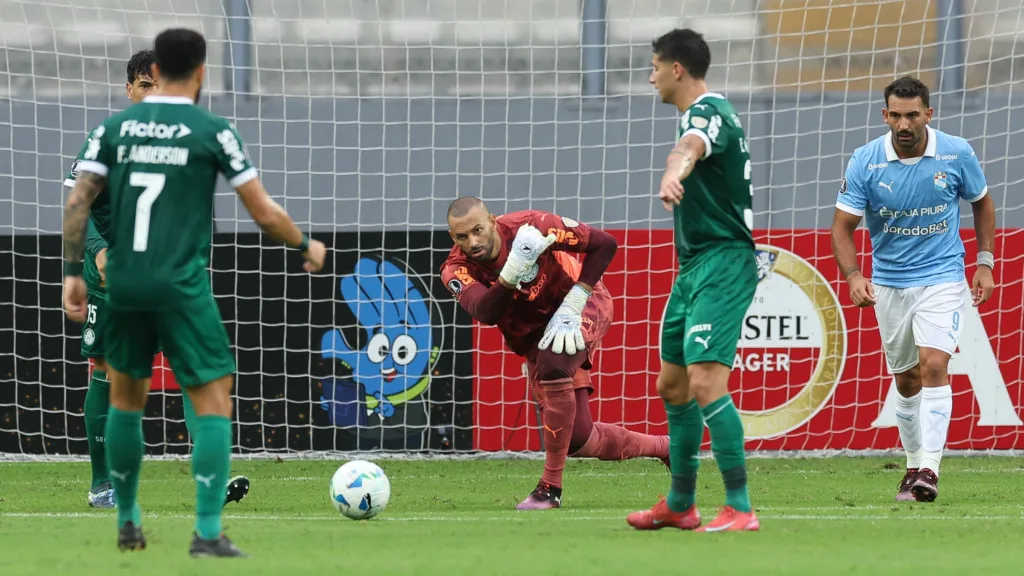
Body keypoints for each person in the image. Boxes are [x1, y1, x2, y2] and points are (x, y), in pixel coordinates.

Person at [60, 28, 326, 556]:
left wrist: (74, 272)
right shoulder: (212, 130)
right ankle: (206, 531)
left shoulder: (110, 132)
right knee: (210, 393)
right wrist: (304, 243)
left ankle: (128, 517)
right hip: (183, 283)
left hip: (126, 285)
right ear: (201, 72)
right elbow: (262, 211)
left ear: (156, 75)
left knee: (126, 399)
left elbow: (76, 204)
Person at [64, 48, 250, 511]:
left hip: (172, 276)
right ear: (130, 90)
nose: (154, 94)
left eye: (161, 84)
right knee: (109, 373)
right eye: (144, 85)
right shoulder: (106, 139)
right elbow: (79, 207)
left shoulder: (186, 142)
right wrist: (98, 251)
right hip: (114, 278)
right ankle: (102, 484)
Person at [440, 197, 670, 510]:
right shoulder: (455, 269)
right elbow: (485, 311)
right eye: (463, 237)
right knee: (577, 438)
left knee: (553, 362)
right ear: (453, 238)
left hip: (581, 304)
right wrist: (511, 273)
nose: (474, 242)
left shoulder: (535, 226)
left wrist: (578, 296)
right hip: (535, 336)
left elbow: (605, 244)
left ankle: (549, 489)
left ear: (492, 220)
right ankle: (668, 447)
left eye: (478, 230)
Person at [831, 76, 995, 502]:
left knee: (934, 365)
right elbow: (842, 227)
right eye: (896, 115)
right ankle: (911, 466)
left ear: (929, 113)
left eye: (913, 114)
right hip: (888, 284)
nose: (904, 124)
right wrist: (853, 275)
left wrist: (984, 262)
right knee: (906, 380)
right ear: (885, 115)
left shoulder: (956, 152)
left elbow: (982, 202)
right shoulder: (866, 161)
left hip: (942, 276)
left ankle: (930, 470)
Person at [626, 28, 760, 533]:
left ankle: (741, 507)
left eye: (655, 65)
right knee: (674, 384)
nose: (651, 75)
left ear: (676, 69)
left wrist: (673, 172)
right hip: (694, 266)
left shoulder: (710, 111)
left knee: (705, 382)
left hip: (724, 261)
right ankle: (680, 503)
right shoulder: (699, 112)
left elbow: (690, 146)